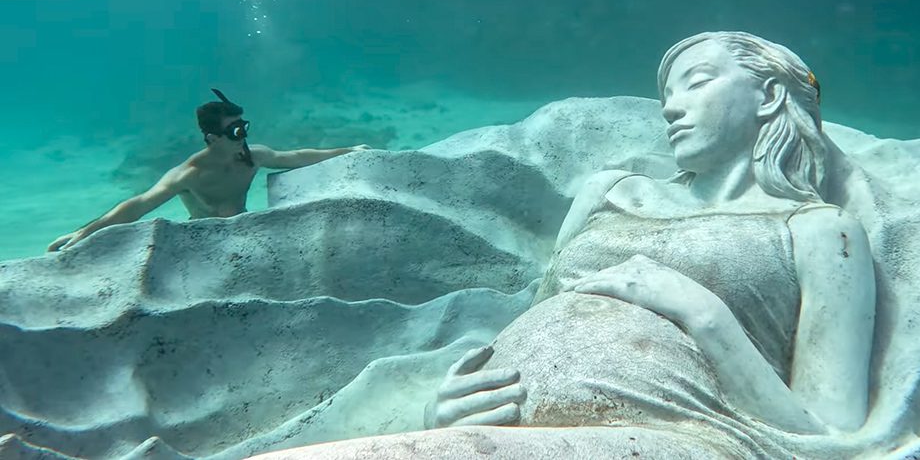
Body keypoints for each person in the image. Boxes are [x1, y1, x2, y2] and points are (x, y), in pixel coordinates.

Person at [414, 32, 876, 454]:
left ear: (769, 95)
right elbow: (538, 316)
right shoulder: (609, 192)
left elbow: (830, 436)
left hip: (681, 434)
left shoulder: (821, 230)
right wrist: (447, 408)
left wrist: (703, 313)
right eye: (667, 96)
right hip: (497, 430)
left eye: (697, 83)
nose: (670, 109)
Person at [47, 89, 370, 252]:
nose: (243, 136)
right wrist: (85, 232)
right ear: (213, 138)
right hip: (202, 244)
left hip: (245, 236)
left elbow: (297, 157)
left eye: (244, 127)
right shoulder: (188, 173)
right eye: (235, 132)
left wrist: (350, 150)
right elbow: (139, 204)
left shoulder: (252, 157)